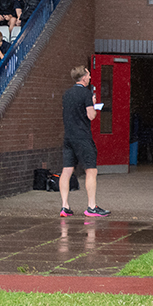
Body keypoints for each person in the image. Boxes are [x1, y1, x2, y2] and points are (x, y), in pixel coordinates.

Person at [59, 66, 109, 218]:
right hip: (82, 137)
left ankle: (65, 206)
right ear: (84, 77)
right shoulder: (86, 93)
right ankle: (92, 207)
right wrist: (93, 104)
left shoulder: (67, 94)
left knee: (67, 171)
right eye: (88, 75)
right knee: (91, 170)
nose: (90, 77)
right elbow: (91, 115)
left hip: (68, 137)